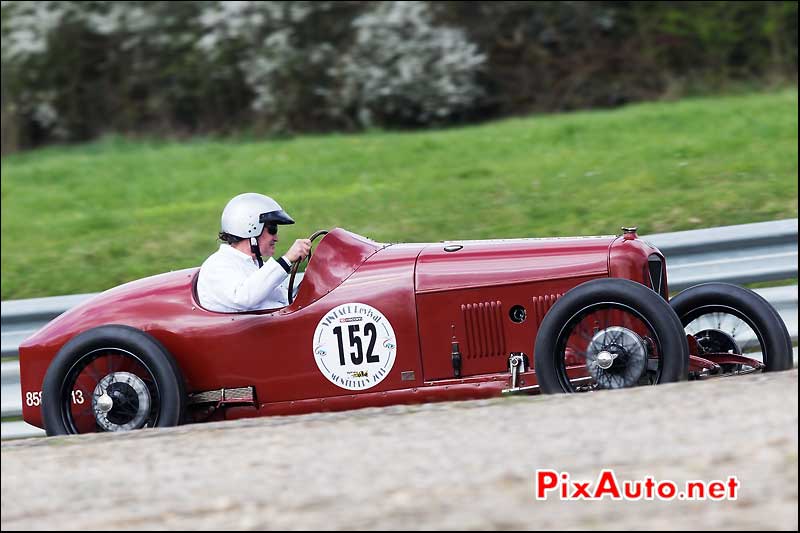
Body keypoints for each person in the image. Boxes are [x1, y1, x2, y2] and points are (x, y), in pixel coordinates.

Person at [197, 193, 312, 312]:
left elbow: (282, 300)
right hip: (239, 329)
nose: (276, 238)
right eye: (272, 230)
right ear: (250, 228)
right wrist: (286, 260)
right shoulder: (217, 264)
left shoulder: (253, 264)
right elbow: (244, 298)